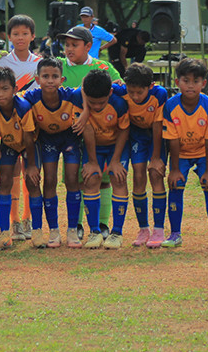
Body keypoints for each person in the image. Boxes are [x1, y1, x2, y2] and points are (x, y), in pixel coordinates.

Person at [0, 14, 43, 240]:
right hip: (8, 130)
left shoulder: (40, 62)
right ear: (8, 37)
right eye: (15, 34)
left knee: (32, 175)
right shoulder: (0, 62)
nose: (20, 38)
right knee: (10, 176)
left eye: (25, 34)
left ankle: (30, 220)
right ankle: (14, 222)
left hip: (34, 128)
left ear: (32, 35)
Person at [22, 58, 82, 248]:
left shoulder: (70, 96)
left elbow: (88, 94)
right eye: (45, 76)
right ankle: (54, 230)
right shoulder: (31, 97)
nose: (50, 80)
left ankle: (73, 230)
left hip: (70, 138)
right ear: (37, 79)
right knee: (49, 181)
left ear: (62, 79)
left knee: (72, 180)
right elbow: (12, 98)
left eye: (54, 76)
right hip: (47, 140)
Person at [162, 58, 208, 248]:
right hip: (181, 154)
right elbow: (173, 139)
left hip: (206, 153)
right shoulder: (170, 106)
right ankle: (175, 234)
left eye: (196, 82)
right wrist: (175, 169)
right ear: (177, 82)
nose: (190, 86)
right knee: (176, 185)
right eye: (186, 80)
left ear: (203, 84)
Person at [112, 63, 169, 248]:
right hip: (137, 137)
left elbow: (157, 126)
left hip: (156, 137)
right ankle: (143, 228)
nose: (135, 96)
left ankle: (159, 229)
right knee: (138, 175)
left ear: (150, 86)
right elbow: (90, 88)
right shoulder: (119, 90)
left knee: (155, 174)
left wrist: (156, 157)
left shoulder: (159, 94)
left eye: (139, 92)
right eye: (131, 92)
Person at [0, 67, 40, 250]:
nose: (0, 94)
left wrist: (30, 165)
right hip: (8, 145)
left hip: (28, 145)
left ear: (15, 89)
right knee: (5, 181)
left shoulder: (22, 107)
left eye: (5, 89)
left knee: (32, 182)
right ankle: (5, 233)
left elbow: (30, 137)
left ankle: (37, 231)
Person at [73, 70, 131, 249]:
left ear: (110, 93)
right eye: (92, 103)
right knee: (91, 179)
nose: (97, 107)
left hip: (116, 145)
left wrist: (114, 160)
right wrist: (92, 161)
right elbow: (87, 130)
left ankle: (117, 233)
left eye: (102, 102)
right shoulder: (77, 99)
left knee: (118, 177)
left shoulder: (119, 102)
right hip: (93, 146)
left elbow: (124, 131)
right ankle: (95, 232)